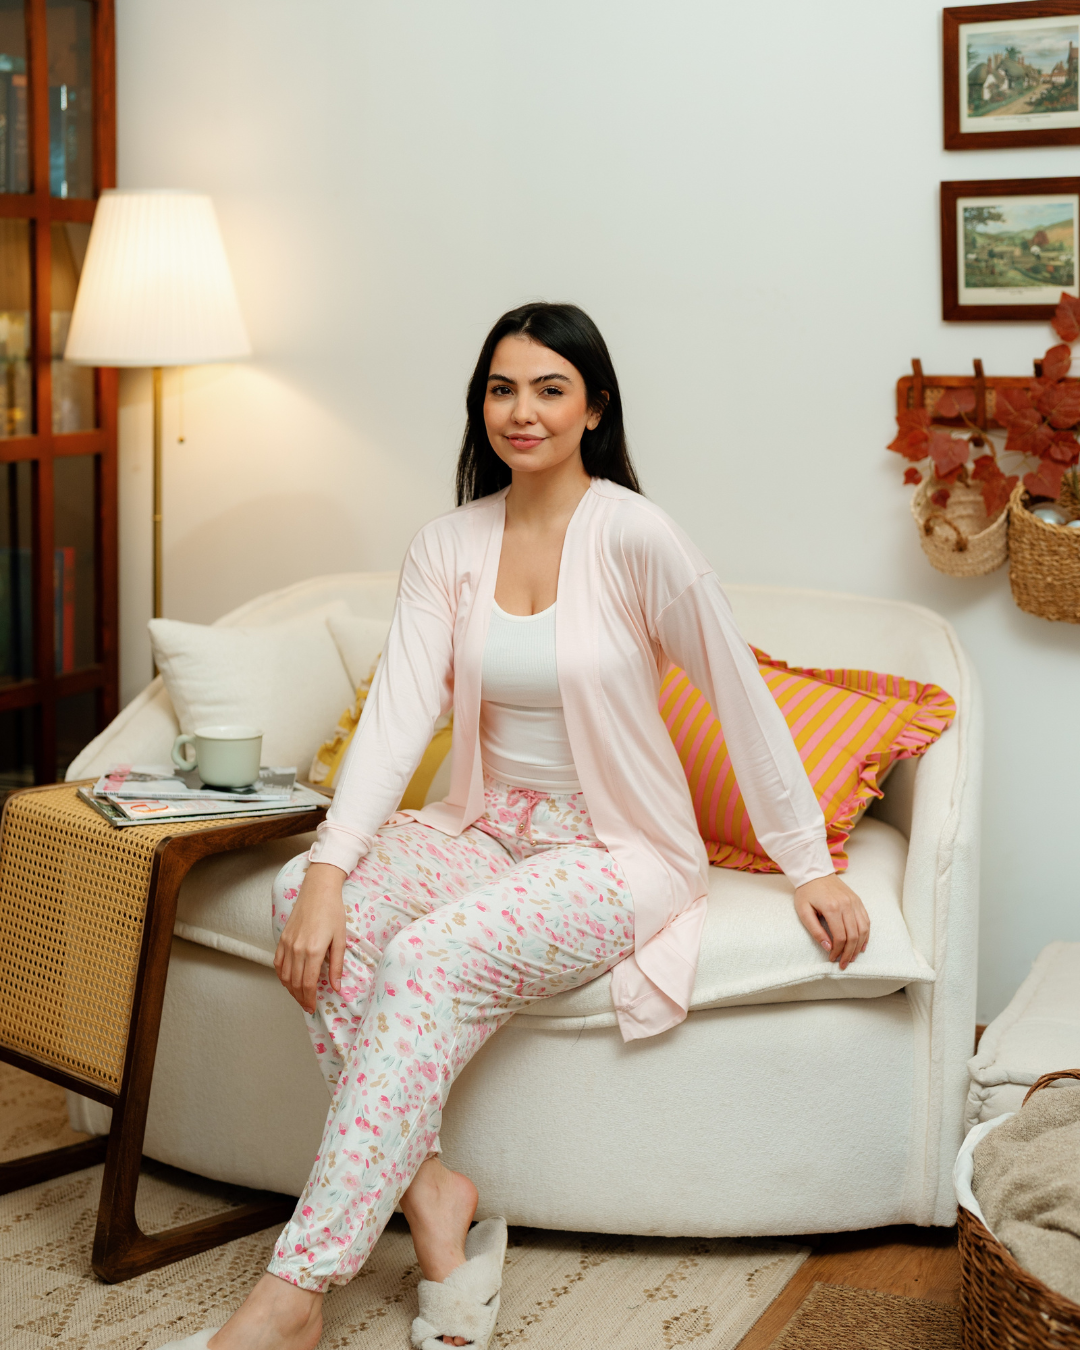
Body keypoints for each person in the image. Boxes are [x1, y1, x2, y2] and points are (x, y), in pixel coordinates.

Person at [162, 302, 870, 1350]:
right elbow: (399, 714)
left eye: (549, 389)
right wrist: (328, 869)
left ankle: (292, 1295)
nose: (522, 411)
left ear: (596, 408)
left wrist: (809, 864)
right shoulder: (448, 545)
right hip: (484, 826)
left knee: (427, 958)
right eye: (502, 389)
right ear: (479, 404)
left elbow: (739, 695)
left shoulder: (636, 535)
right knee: (298, 895)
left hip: (615, 849)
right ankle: (432, 1194)